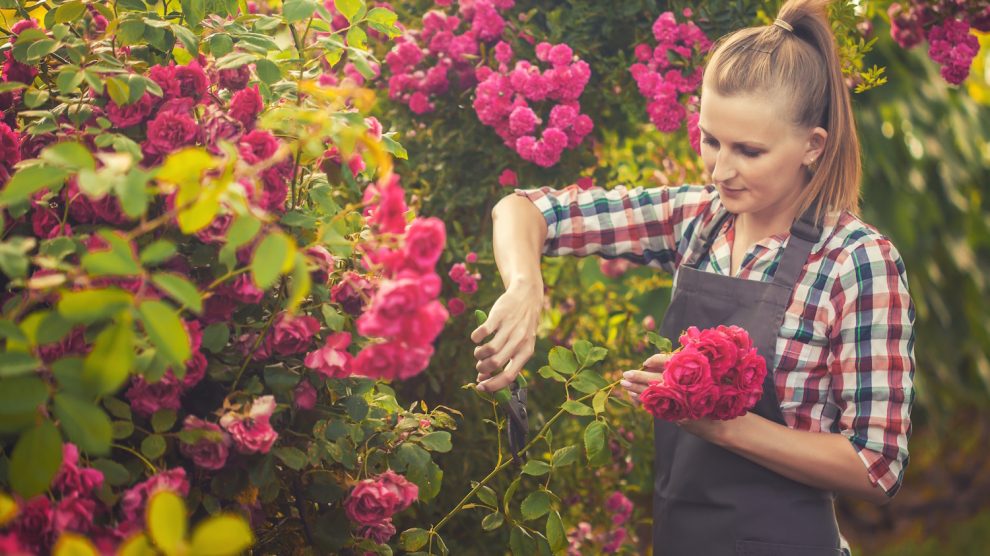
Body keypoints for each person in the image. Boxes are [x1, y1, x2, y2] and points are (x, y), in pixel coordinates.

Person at [470, 0, 916, 554]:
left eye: (749, 151)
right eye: (711, 140)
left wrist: (721, 424)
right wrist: (524, 288)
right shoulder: (699, 221)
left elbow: (875, 466)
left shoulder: (856, 262)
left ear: (813, 145)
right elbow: (527, 210)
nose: (720, 170)